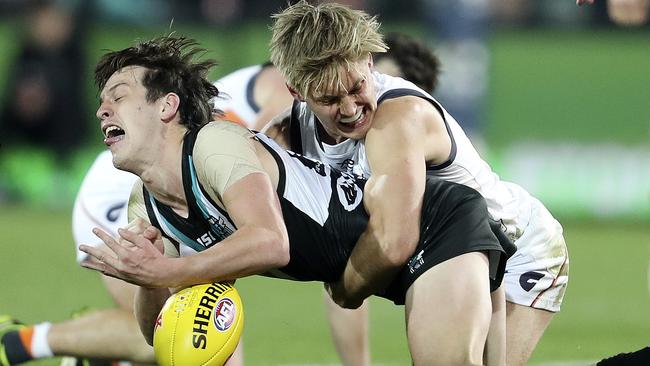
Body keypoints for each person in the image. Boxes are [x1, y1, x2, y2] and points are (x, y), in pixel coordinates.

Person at [0, 32, 441, 366]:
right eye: (371, 79)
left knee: (201, 331)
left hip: (188, 187)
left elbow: (297, 236)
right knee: (181, 335)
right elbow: (300, 227)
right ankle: (23, 343)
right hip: (133, 186)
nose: (365, 101)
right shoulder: (285, 107)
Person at [263, 2, 569, 366]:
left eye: (357, 87)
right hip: (451, 250)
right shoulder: (286, 135)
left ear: (369, 63)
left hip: (522, 248)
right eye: (329, 99)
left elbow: (395, 241)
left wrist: (341, 290)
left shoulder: (399, 118)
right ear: (297, 91)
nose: (349, 109)